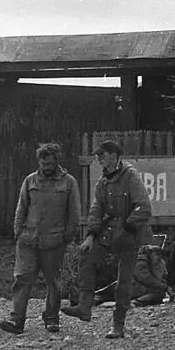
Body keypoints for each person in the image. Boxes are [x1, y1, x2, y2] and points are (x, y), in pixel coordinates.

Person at [61, 140, 153, 339]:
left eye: (103, 155)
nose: (99, 158)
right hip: (110, 229)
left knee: (124, 280)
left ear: (114, 155)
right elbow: (96, 210)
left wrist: (129, 226)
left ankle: (118, 324)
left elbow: (144, 207)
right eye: (98, 156)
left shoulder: (131, 176)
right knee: (87, 255)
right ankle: (84, 306)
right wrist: (92, 235)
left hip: (131, 232)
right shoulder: (102, 181)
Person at [0, 142, 81, 335]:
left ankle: (52, 317)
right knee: (22, 278)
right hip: (28, 240)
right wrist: (17, 231)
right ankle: (17, 319)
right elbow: (21, 207)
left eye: (50, 164)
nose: (46, 167)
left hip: (54, 242)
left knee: (54, 282)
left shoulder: (69, 182)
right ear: (39, 162)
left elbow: (74, 213)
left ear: (56, 162)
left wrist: (66, 237)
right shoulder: (30, 181)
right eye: (43, 164)